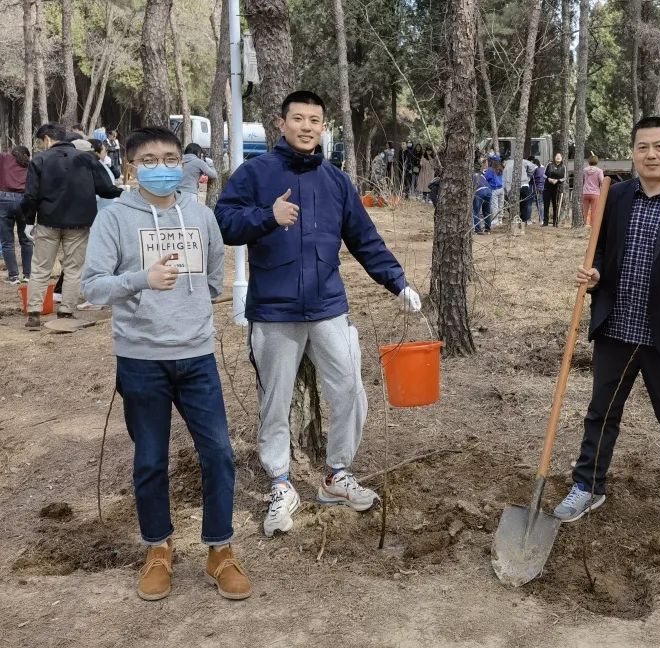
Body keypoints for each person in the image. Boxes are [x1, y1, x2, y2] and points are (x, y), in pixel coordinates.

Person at [214, 90, 422, 537]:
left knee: (350, 388)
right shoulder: (255, 173)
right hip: (274, 312)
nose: (307, 127)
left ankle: (336, 476)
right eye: (298, 119)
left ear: (323, 127)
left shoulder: (336, 181)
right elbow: (225, 223)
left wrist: (396, 280)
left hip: (329, 307)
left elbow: (364, 238)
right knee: (275, 401)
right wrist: (267, 217)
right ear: (281, 123)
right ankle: (281, 485)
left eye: (315, 120)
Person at [81, 126, 251, 602]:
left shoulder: (200, 215)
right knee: (150, 460)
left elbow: (216, 271)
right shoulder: (114, 219)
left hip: (196, 355)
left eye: (171, 156)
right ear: (132, 168)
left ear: (184, 162)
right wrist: (140, 280)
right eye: (150, 159)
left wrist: (193, 307)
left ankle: (221, 550)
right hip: (140, 359)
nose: (162, 166)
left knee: (218, 453)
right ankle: (158, 548)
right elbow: (92, 287)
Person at [554, 115, 660, 542]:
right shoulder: (617, 196)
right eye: (642, 147)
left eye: (658, 146)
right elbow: (602, 253)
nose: (650, 154)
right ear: (633, 154)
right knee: (601, 413)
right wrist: (593, 274)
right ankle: (588, 486)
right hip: (617, 326)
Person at [21, 123, 122, 329]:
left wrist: (29, 221)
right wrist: (124, 193)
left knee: (41, 268)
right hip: (80, 223)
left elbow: (30, 195)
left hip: (48, 221)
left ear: (47, 139)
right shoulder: (86, 159)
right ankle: (67, 311)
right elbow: (105, 189)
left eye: (42, 142)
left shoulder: (40, 160)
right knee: (74, 269)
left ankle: (34, 313)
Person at [0, 145, 31, 285]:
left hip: (4, 199)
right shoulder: (30, 164)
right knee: (26, 239)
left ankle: (13, 276)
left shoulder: (5, 158)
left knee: (7, 241)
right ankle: (28, 274)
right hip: (24, 200)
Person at [503, 152, 537, 229]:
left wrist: (507, 192)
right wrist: (528, 176)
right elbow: (533, 167)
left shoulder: (506, 166)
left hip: (513, 188)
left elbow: (505, 180)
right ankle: (523, 221)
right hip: (524, 185)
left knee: (512, 205)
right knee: (525, 204)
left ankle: (515, 220)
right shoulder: (522, 161)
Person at [543, 153, 567, 227]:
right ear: (554, 157)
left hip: (557, 188)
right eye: (557, 156)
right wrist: (548, 178)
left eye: (560, 156)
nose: (558, 157)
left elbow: (564, 177)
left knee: (555, 205)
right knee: (546, 205)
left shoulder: (563, 167)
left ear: (562, 158)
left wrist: (558, 180)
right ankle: (545, 222)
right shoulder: (549, 165)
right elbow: (543, 174)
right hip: (547, 187)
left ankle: (555, 222)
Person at [581, 154, 605, 227]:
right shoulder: (599, 171)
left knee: (585, 210)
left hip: (585, 192)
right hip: (595, 193)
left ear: (589, 161)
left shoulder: (584, 170)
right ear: (597, 162)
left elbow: (582, 180)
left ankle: (585, 223)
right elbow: (602, 182)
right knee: (594, 210)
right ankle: (593, 225)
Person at [473, 158, 492, 234]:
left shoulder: (470, 175)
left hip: (479, 192)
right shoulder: (481, 174)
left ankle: (478, 230)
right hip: (488, 191)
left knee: (476, 211)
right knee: (486, 211)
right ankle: (488, 229)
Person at [485, 154, 504, 227]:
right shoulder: (500, 168)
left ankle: (495, 220)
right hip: (501, 189)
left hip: (494, 189)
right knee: (501, 205)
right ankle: (500, 220)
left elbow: (486, 177)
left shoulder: (490, 169)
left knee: (494, 205)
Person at [531, 157, 546, 224]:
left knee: (539, 203)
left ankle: (541, 219)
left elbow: (532, 178)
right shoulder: (543, 168)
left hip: (537, 187)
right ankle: (541, 219)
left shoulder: (535, 169)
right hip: (543, 187)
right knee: (541, 203)